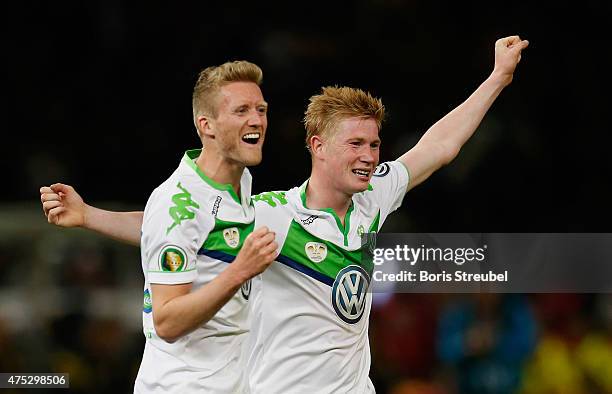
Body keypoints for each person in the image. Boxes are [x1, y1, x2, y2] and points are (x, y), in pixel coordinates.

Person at [41, 36, 528, 392]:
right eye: (356, 144)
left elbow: (439, 146)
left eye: (375, 144)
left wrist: (497, 78)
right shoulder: (272, 215)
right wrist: (93, 218)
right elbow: (176, 229)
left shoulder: (373, 198)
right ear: (318, 147)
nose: (369, 156)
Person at [42, 60, 278, 393]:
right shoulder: (177, 201)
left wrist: (88, 215)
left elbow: (176, 233)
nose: (256, 120)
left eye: (261, 109)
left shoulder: (238, 182)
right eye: (241, 110)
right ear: (207, 125)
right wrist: (241, 270)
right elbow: (166, 321)